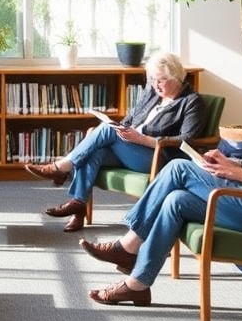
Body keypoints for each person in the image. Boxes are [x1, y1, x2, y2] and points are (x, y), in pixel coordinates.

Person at [80, 61, 242, 306]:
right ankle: (138, 285)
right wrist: (228, 161)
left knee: (178, 168)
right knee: (175, 201)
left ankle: (127, 246)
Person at [24, 52, 206, 232]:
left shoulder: (191, 102)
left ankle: (61, 168)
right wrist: (120, 130)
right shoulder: (152, 92)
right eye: (153, 79)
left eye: (161, 80)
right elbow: (131, 119)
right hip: (131, 149)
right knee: (94, 150)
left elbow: (185, 140)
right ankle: (78, 205)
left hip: (158, 157)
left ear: (176, 77)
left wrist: (143, 139)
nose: (155, 85)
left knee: (105, 129)